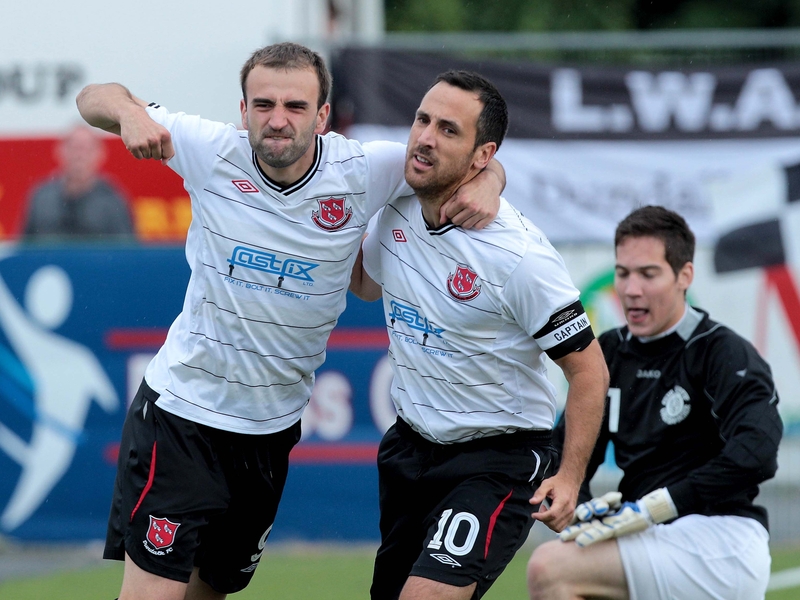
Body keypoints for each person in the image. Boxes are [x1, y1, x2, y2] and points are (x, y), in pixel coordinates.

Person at [75, 43, 505, 600]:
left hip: (270, 433)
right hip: (182, 421)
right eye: (264, 105)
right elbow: (93, 97)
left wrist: (488, 182)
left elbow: (461, 154)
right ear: (243, 109)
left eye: (296, 107)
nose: (278, 120)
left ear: (323, 116)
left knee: (211, 591)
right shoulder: (209, 149)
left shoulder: (364, 169)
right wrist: (132, 113)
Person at [348, 70, 609, 600]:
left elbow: (589, 370)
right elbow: (366, 287)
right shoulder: (396, 205)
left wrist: (572, 475)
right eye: (422, 119)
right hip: (410, 449)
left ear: (481, 155)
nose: (424, 137)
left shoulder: (519, 257)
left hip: (499, 459)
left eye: (448, 130)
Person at [526, 205, 783, 600]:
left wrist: (658, 506)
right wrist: (581, 508)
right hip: (646, 535)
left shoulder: (722, 352)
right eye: (623, 273)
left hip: (722, 539)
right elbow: (568, 457)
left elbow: (757, 453)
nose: (630, 289)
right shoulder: (608, 354)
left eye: (648, 274)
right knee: (571, 557)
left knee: (550, 569)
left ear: (685, 276)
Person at [22, 125, 135, 240]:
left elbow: (126, 251)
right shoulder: (42, 197)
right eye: (74, 148)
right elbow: (24, 248)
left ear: (100, 153)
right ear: (59, 150)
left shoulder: (112, 199)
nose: (79, 155)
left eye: (86, 149)